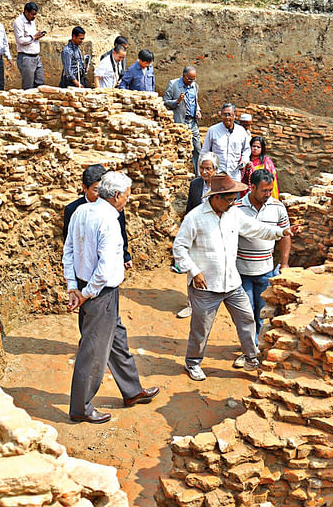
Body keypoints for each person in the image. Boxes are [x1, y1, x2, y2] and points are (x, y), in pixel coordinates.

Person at [172, 173, 294, 381]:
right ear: (216, 197)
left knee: (246, 319)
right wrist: (194, 271)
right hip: (205, 286)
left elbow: (256, 229)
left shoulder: (233, 214)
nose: (233, 203)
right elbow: (179, 248)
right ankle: (193, 363)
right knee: (201, 328)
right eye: (229, 199)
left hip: (232, 282)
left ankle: (250, 358)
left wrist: (281, 232)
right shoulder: (195, 217)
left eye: (234, 198)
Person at [63, 171, 159, 423]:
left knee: (117, 339)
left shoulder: (82, 211)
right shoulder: (109, 221)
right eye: (126, 195)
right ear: (116, 195)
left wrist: (74, 287)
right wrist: (85, 294)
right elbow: (105, 268)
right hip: (99, 292)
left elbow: (69, 251)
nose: (127, 199)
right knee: (93, 351)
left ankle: (131, 390)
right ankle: (80, 408)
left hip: (90, 288)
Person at [237, 169, 300, 348]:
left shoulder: (277, 207)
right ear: (253, 187)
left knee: (261, 313)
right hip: (242, 271)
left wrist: (285, 262)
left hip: (266, 271)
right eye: (264, 190)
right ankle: (248, 349)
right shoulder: (238, 208)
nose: (267, 194)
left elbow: (285, 235)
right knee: (246, 313)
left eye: (270, 190)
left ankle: (254, 346)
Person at [62, 164, 132, 270]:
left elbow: (121, 232)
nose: (100, 194)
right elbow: (70, 241)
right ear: (84, 188)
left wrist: (125, 256)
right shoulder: (74, 210)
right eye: (96, 190)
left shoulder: (114, 206)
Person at [175, 152, 219, 319]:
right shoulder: (195, 184)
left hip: (214, 232)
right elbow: (189, 209)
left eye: (208, 168)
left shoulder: (221, 186)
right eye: (202, 168)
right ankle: (191, 303)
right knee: (193, 267)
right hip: (195, 231)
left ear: (215, 169)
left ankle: (209, 302)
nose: (205, 171)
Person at [164, 65, 201, 174]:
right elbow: (165, 102)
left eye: (193, 79)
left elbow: (195, 102)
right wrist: (177, 101)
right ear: (184, 76)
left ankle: (197, 175)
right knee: (179, 149)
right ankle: (179, 173)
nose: (191, 81)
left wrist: (198, 111)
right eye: (189, 79)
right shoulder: (173, 84)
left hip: (193, 122)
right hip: (180, 122)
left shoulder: (194, 86)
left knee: (197, 148)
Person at [201, 103, 251, 183]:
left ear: (234, 116)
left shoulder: (241, 132)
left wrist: (244, 161)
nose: (227, 117)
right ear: (221, 116)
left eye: (229, 115)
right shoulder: (213, 131)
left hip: (234, 176)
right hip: (216, 175)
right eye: (224, 115)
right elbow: (205, 151)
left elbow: (246, 150)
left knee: (234, 195)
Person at [12, 2, 46, 90]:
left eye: (35, 14)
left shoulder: (32, 21)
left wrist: (38, 36)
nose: (34, 16)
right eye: (32, 14)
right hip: (26, 57)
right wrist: (34, 37)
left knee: (40, 81)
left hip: (36, 56)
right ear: (26, 12)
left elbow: (32, 38)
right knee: (28, 86)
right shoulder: (18, 22)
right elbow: (20, 40)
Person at [242, 136, 280, 200]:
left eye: (258, 147)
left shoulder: (266, 161)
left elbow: (272, 180)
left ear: (262, 149)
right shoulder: (244, 160)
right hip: (246, 192)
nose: (255, 148)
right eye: (253, 146)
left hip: (262, 192)